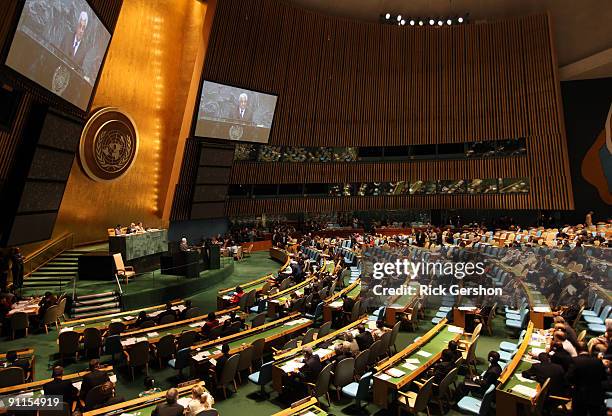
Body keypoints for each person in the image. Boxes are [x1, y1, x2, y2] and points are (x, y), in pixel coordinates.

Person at [566, 342, 607, 415]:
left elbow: (569, 378)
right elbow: (604, 377)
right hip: (596, 394)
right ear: (587, 349)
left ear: (577, 350)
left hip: (580, 395)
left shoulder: (575, 360)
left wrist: (574, 383)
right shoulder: (598, 361)